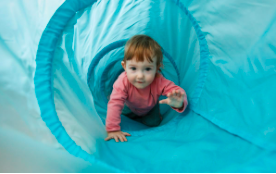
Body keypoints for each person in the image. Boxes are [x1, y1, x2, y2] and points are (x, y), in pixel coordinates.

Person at [105, 35, 188, 142]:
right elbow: (115, 104)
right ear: (124, 66)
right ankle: (111, 96)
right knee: (119, 110)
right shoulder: (122, 82)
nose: (140, 76)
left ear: (157, 68)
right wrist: (113, 130)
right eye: (133, 68)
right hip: (128, 106)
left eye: (147, 69)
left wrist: (179, 103)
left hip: (150, 108)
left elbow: (177, 91)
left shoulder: (159, 81)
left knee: (154, 124)